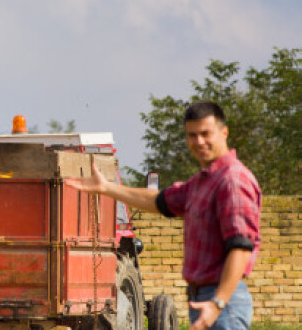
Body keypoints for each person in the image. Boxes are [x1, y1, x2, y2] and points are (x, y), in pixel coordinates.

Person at [67, 101, 261, 330]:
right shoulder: (202, 182)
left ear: (224, 132)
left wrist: (218, 303)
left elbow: (240, 247)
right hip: (204, 297)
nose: (199, 141)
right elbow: (159, 201)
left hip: (221, 300)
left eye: (205, 134)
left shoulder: (232, 180)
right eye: (192, 135)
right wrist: (107, 189)